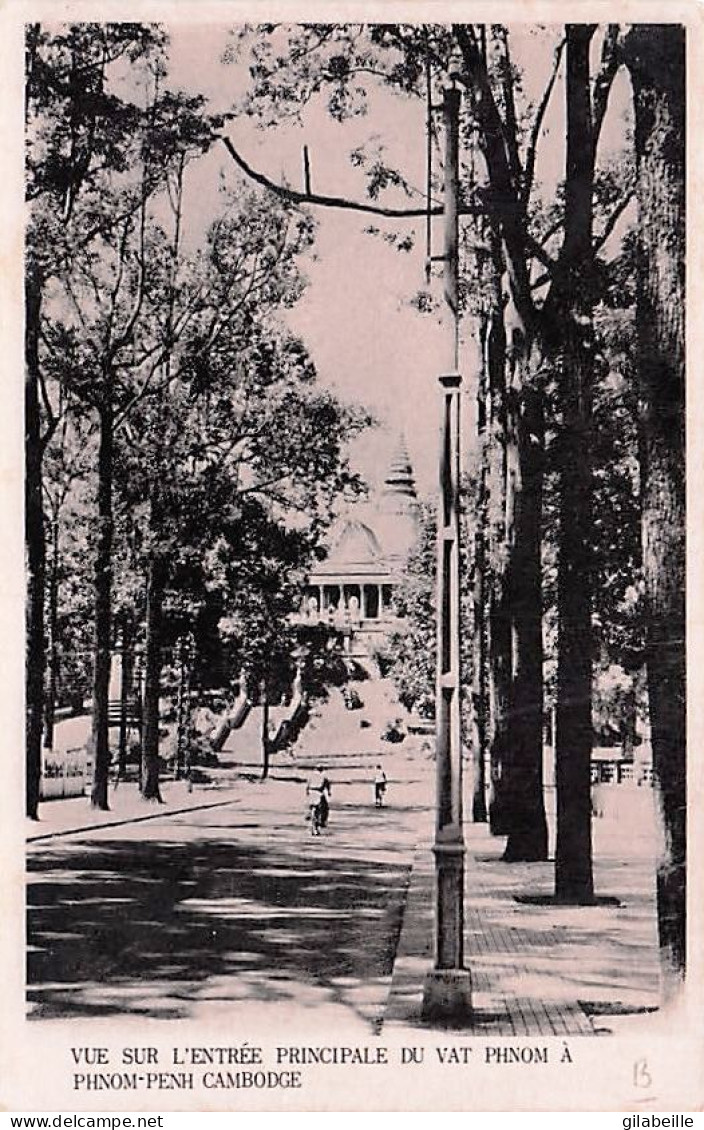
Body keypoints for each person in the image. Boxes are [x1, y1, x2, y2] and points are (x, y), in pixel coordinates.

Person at [306, 765, 331, 834]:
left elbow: (307, 786)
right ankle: (322, 822)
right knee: (324, 808)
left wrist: (308, 793)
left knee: (312, 808)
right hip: (319, 793)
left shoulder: (311, 776)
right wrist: (328, 793)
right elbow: (328, 786)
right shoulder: (324, 777)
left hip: (312, 793)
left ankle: (309, 817)